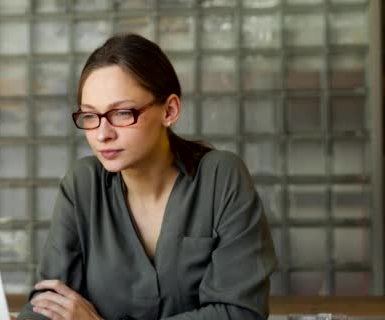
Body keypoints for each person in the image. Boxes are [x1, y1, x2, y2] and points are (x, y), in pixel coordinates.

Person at [16, 33, 277, 320]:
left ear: (170, 110)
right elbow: (49, 305)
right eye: (90, 116)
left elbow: (241, 314)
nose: (103, 134)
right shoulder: (84, 184)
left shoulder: (220, 177)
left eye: (122, 113)